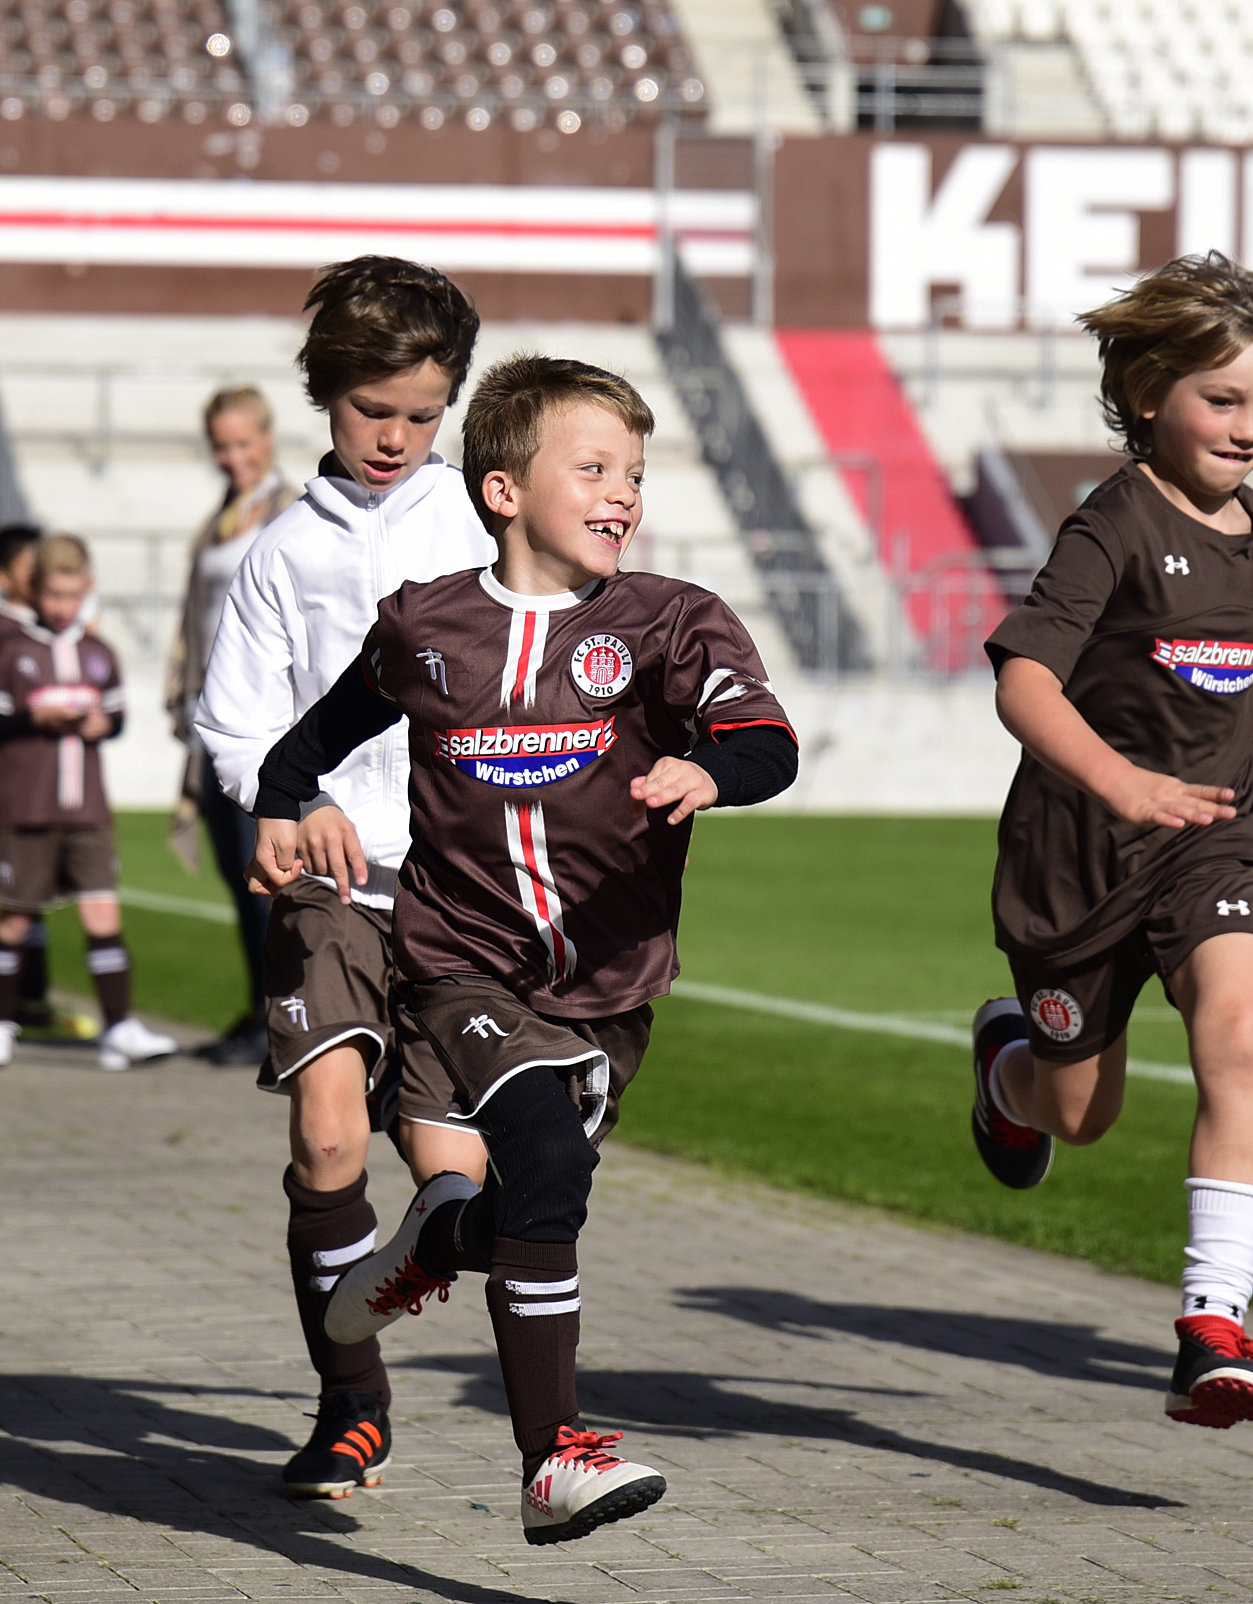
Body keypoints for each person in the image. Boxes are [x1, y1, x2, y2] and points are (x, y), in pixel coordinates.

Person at [258, 355, 799, 1543]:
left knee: (522, 1210)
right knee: (547, 1161)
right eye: (593, 467)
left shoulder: (671, 620)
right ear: (503, 490)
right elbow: (306, 747)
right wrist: (286, 804)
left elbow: (768, 739)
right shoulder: (424, 624)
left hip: (610, 984)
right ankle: (553, 1458)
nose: (622, 493)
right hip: (460, 964)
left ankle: (426, 1243)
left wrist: (712, 766)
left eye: (635, 474)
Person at [965, 253, 1253, 1429]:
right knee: (1079, 1113)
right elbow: (1024, 679)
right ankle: (1004, 1071)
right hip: (1076, 857)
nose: (1251, 426)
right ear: (1146, 392)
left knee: (1243, 1029)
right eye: (1222, 398)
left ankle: (1213, 1321)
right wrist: (1118, 780)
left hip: (1213, 840)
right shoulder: (1112, 525)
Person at [191, 255, 497, 1500]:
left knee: (451, 1174)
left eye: (426, 412)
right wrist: (286, 796)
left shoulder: (482, 527)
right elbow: (230, 722)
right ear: (326, 393)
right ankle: (351, 1403)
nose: (399, 435)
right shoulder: (276, 554)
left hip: (467, 891)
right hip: (329, 888)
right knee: (326, 1137)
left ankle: (418, 1265)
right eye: (378, 408)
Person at [0, 534, 178, 1071]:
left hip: (87, 809)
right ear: (35, 590)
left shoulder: (98, 652)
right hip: (28, 805)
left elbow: (118, 716)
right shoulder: (14, 650)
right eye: (54, 595)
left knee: (103, 912)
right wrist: (35, 718)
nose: (64, 607)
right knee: (15, 919)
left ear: (88, 591)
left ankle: (119, 1028)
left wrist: (105, 724)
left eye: (74, 596)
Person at [167, 386, 298, 1067]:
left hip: (268, 726)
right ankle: (261, 1013)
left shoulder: (291, 511)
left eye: (243, 443)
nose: (233, 457)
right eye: (221, 445)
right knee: (236, 876)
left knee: (268, 883)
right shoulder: (218, 520)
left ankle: (287, 1025)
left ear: (268, 438)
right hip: (214, 722)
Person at [0, 522, 87, 1041]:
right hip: (18, 785)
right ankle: (9, 1009)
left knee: (40, 900)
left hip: (60, 786)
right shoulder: (1, 630)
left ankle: (32, 1001)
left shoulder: (67, 634)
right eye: (32, 571)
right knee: (18, 899)